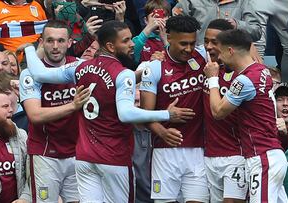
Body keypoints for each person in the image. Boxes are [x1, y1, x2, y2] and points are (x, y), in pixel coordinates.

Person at [21, 20, 194, 202]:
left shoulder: (79, 67)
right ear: (111, 46)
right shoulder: (122, 73)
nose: (132, 44)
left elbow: (40, 73)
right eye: (126, 41)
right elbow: (126, 113)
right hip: (113, 157)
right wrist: (167, 114)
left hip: (84, 158)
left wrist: (29, 50)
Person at [204, 29, 287, 203]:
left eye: (219, 52)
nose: (218, 58)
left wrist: (213, 79)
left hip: (262, 157)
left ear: (230, 51)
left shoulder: (244, 81)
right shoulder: (262, 70)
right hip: (271, 154)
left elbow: (218, 112)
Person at [140, 15, 209, 203]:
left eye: (192, 43)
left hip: (199, 150)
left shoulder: (203, 57)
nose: (189, 49)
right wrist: (162, 131)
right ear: (168, 38)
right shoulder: (154, 67)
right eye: (183, 44)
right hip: (165, 150)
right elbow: (145, 113)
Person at [19, 20, 90, 203]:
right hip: (45, 153)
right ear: (42, 42)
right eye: (50, 40)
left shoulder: (81, 67)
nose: (55, 46)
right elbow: (35, 115)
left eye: (60, 41)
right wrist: (72, 106)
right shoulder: (29, 74)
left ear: (70, 42)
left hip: (77, 151)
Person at [203, 19, 247, 203]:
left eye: (215, 42)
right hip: (209, 155)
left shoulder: (243, 75)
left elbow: (218, 112)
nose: (209, 47)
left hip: (236, 155)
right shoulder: (203, 66)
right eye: (206, 41)